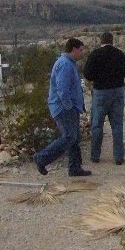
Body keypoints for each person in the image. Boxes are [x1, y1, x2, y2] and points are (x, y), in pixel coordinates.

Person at [33, 38, 91, 177]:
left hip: (69, 107)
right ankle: (42, 157)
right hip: (63, 108)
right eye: (81, 50)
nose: (82, 53)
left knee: (74, 137)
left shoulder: (69, 64)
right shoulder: (65, 65)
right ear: (74, 49)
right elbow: (62, 89)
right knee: (69, 137)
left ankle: (75, 167)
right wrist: (68, 105)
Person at [83, 32, 125, 165]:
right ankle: (119, 156)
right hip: (118, 90)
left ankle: (95, 155)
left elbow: (87, 74)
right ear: (112, 41)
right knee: (117, 125)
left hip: (101, 92)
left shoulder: (95, 54)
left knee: (97, 125)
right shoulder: (120, 54)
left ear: (101, 41)